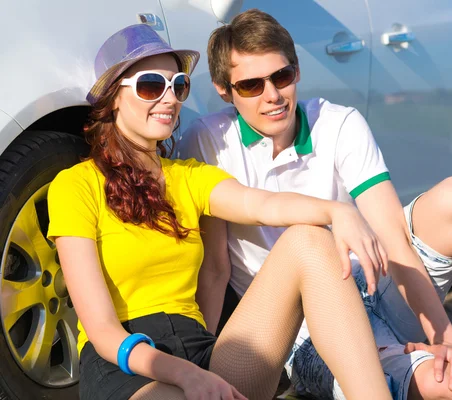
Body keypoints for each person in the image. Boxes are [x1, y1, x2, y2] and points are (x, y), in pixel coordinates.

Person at [178, 8, 452, 400]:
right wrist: (201, 365)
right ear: (223, 91)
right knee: (442, 380)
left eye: (282, 76)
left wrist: (444, 336)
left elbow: (394, 241)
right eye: (252, 85)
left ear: (297, 71)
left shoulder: (338, 122)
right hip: (305, 323)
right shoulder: (207, 142)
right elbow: (216, 268)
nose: (272, 94)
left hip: (373, 283)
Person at [46, 23, 397, 400]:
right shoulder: (75, 185)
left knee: (308, 239)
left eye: (177, 85)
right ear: (114, 97)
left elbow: (261, 204)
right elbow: (101, 330)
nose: (168, 99)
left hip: (203, 353)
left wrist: (335, 212)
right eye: (151, 86)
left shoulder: (190, 177)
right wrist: (186, 376)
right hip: (128, 365)